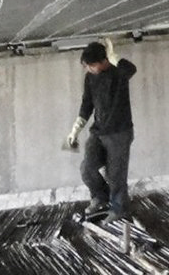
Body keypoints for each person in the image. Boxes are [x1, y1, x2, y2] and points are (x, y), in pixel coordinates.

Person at [62, 37, 136, 220]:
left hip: (119, 133)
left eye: (91, 65)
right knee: (87, 169)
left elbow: (131, 69)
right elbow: (87, 103)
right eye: (86, 66)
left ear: (103, 61)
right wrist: (75, 129)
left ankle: (119, 210)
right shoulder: (90, 77)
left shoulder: (118, 73)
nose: (88, 69)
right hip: (98, 131)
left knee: (115, 175)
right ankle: (100, 198)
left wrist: (114, 57)